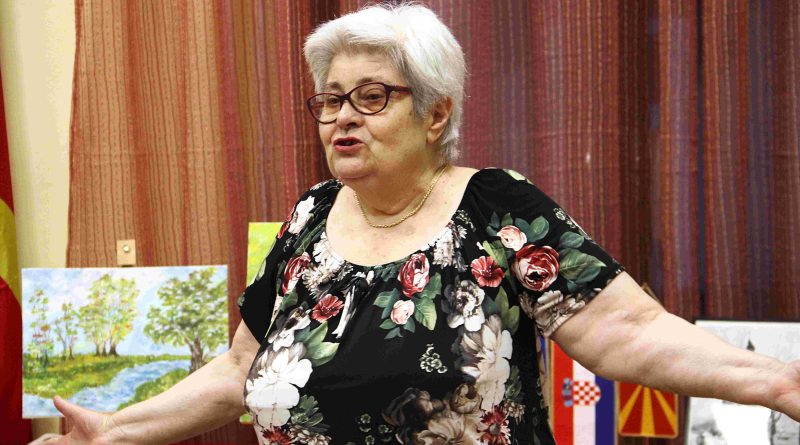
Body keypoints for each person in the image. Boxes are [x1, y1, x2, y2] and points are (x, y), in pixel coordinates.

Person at [47, 4, 799, 445]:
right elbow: (240, 371)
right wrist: (116, 430)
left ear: (436, 114)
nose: (342, 117)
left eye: (371, 96)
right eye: (329, 99)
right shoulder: (308, 219)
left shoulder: (497, 208)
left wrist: (777, 381)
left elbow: (627, 330)